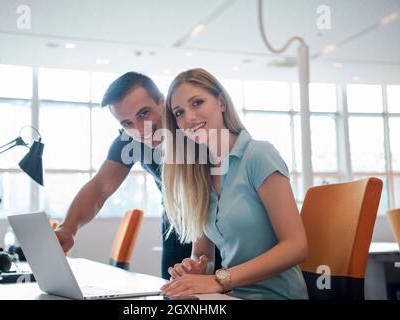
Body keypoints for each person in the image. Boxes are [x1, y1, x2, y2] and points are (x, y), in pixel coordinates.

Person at [54, 72, 221, 280]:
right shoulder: (129, 140)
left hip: (218, 226)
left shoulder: (192, 126)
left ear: (163, 101)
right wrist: (68, 228)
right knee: (174, 296)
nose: (140, 130)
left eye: (144, 114)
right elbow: (100, 187)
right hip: (176, 224)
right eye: (127, 123)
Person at [159, 68, 309, 299]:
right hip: (230, 297)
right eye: (179, 113)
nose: (188, 118)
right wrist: (197, 269)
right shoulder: (200, 177)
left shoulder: (259, 155)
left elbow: (296, 246)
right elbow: (204, 255)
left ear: (221, 102)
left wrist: (220, 280)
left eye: (197, 102)